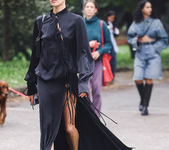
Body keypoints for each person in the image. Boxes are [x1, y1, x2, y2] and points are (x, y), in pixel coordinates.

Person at [25, 0, 132, 149]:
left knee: (69, 128)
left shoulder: (76, 21)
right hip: (45, 82)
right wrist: (31, 85)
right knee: (48, 130)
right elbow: (36, 55)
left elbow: (83, 53)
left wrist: (82, 83)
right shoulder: (40, 21)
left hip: (67, 82)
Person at [127, 0, 168, 116]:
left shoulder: (156, 22)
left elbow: (164, 39)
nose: (150, 9)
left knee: (149, 78)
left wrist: (154, 46)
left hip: (153, 53)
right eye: (147, 7)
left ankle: (145, 106)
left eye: (150, 7)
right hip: (140, 53)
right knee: (138, 78)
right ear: (142, 9)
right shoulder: (136, 23)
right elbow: (130, 38)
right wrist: (137, 40)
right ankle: (143, 100)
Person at [84, 0, 112, 117]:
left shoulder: (102, 24)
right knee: (85, 90)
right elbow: (74, 43)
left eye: (92, 7)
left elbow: (108, 44)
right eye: (87, 7)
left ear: (95, 10)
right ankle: (87, 115)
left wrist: (99, 52)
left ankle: (96, 117)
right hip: (83, 61)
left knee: (96, 89)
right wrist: (88, 44)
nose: (89, 9)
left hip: (97, 62)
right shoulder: (80, 24)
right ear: (84, 9)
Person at [105, 10, 120, 79]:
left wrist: (113, 29)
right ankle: (107, 77)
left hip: (112, 45)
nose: (112, 19)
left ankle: (112, 76)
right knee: (107, 62)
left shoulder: (113, 25)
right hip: (106, 45)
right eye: (110, 17)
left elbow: (117, 33)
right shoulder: (104, 24)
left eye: (113, 18)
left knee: (113, 61)